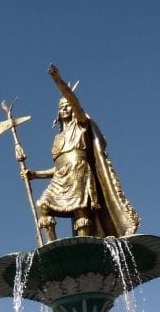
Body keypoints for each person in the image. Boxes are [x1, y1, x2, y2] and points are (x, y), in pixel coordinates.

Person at [21, 64, 139, 243]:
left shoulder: (81, 125)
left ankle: (85, 245)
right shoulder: (58, 138)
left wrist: (59, 83)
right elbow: (59, 168)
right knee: (42, 205)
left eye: (68, 105)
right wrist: (34, 174)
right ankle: (52, 246)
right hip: (62, 177)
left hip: (80, 173)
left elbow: (75, 102)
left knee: (80, 211)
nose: (65, 108)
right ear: (58, 113)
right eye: (62, 106)